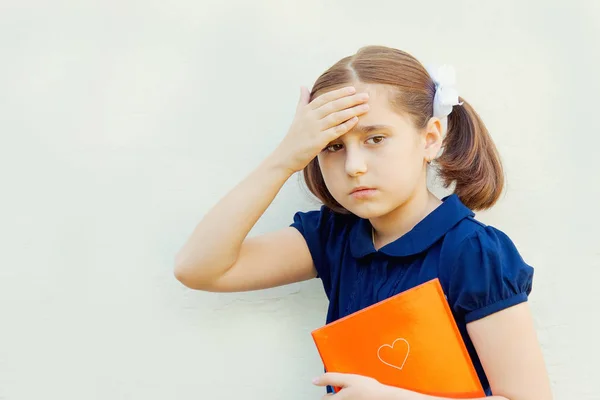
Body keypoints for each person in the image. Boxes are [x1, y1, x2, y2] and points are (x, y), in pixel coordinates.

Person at [174, 45, 552, 399]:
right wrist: (285, 158)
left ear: (430, 138)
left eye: (376, 138)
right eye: (332, 146)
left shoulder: (473, 251)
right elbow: (199, 269)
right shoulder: (332, 236)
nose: (353, 166)